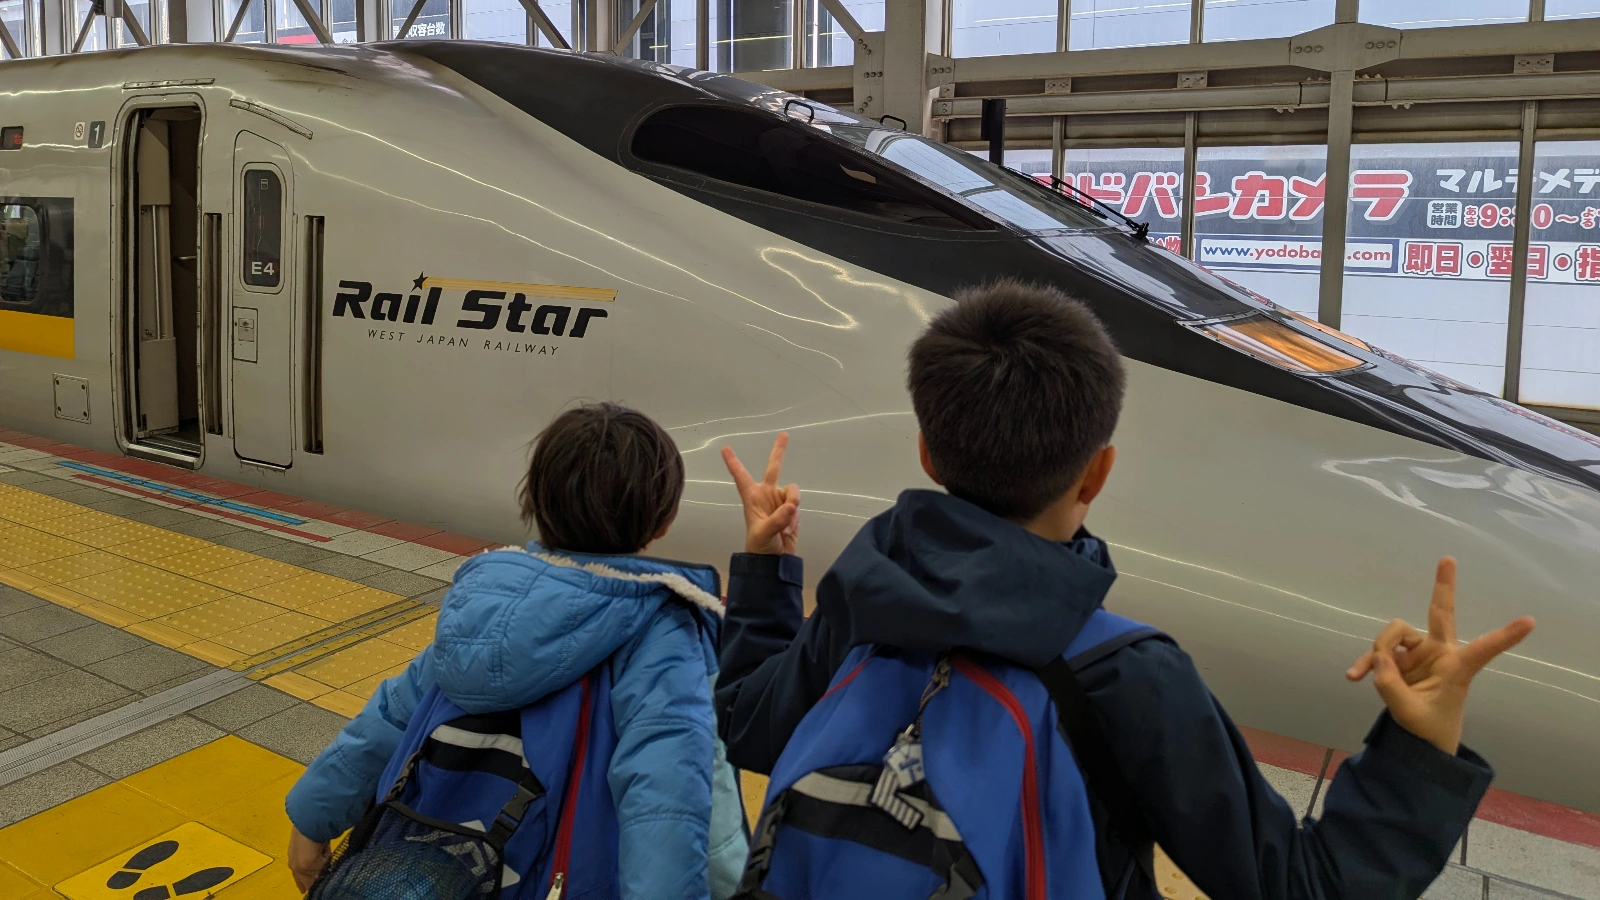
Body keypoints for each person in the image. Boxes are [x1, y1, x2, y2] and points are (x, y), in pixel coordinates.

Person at [714, 280, 1536, 899]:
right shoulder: (1127, 673)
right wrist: (1417, 753)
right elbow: (1304, 886)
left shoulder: (866, 592)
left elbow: (749, 727)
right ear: (1099, 471)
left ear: (928, 453)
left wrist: (765, 572)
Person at [284, 402, 748, 899]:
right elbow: (674, 798)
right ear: (664, 519)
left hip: (445, 870)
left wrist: (312, 820)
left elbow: (389, 717)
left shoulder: (482, 601)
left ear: (534, 501)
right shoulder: (664, 633)